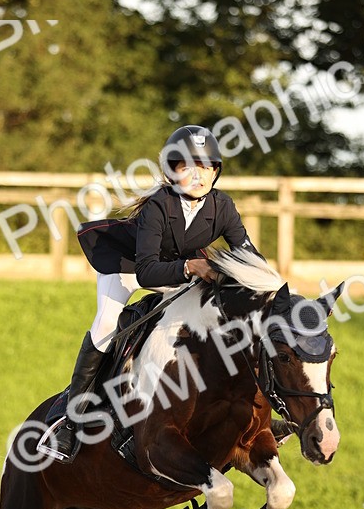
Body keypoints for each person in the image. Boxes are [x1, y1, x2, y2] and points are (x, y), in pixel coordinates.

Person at [51, 124, 258, 460]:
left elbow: (251, 259)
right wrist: (190, 267)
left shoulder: (223, 207)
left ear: (216, 172)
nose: (198, 175)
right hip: (127, 266)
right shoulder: (159, 205)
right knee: (106, 325)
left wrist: (277, 293)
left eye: (206, 167)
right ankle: (69, 422)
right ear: (173, 170)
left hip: (175, 268)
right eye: (188, 166)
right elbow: (145, 271)